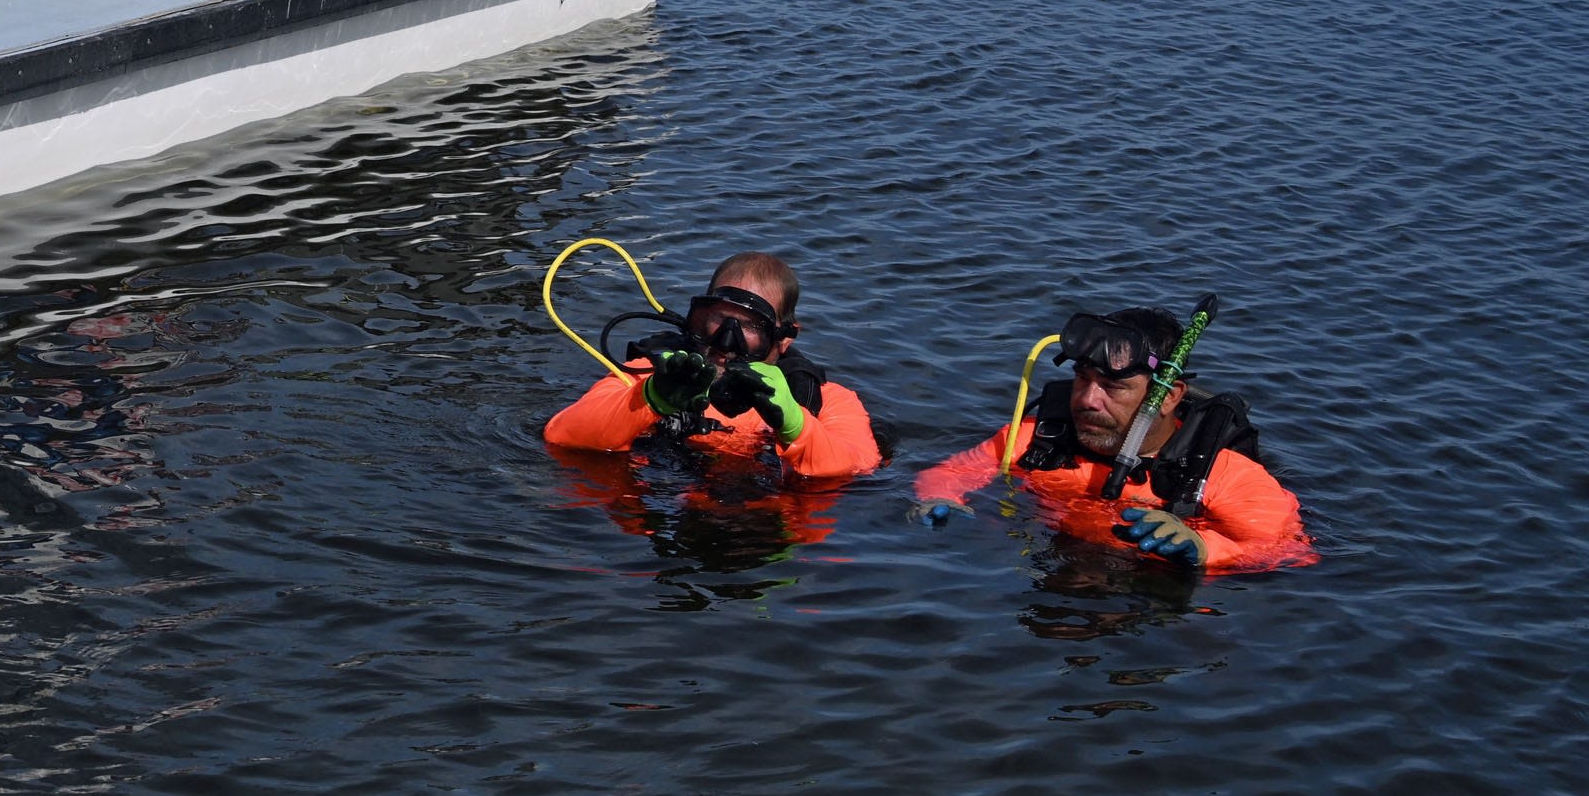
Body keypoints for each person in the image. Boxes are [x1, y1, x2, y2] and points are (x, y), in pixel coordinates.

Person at [911, 308, 1314, 572]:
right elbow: (954, 472)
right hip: (1047, 568)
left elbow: (1289, 552)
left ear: (1169, 397)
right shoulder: (1037, 439)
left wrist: (1206, 548)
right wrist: (942, 497)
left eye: (1112, 387)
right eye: (1082, 379)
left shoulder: (1224, 475)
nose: (1087, 399)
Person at [543, 251, 884, 482]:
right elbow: (562, 435)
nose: (725, 341)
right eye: (715, 320)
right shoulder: (646, 372)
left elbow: (861, 465)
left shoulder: (824, 399)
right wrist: (652, 398)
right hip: (661, 515)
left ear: (783, 338)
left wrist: (795, 423)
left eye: (750, 328)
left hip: (767, 528)